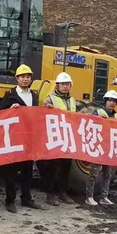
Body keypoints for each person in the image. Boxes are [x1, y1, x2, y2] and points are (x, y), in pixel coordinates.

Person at [0, 64, 41, 213]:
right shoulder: (10, 95)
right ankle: (10, 200)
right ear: (17, 78)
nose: (25, 79)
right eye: (22, 76)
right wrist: (10, 110)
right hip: (14, 138)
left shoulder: (34, 96)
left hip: (29, 138)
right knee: (10, 171)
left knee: (27, 169)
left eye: (28, 77)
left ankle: (26, 198)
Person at [42, 72, 77, 206]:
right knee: (52, 167)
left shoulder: (73, 100)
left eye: (67, 84)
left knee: (66, 167)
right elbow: (44, 115)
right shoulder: (50, 99)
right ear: (57, 85)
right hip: (55, 138)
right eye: (62, 84)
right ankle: (50, 195)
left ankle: (63, 193)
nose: (65, 86)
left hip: (68, 138)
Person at [85, 89, 117, 207]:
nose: (112, 103)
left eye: (115, 101)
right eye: (110, 100)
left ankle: (104, 197)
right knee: (94, 173)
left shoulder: (116, 116)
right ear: (106, 101)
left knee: (107, 173)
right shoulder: (98, 112)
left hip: (109, 148)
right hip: (99, 147)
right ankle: (89, 196)